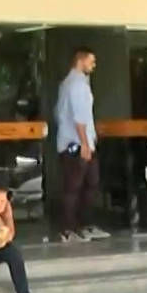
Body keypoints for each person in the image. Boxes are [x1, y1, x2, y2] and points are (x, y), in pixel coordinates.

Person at [54, 46, 111, 243]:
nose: (94, 65)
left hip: (74, 143)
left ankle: (83, 225)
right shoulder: (78, 85)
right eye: (91, 61)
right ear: (81, 61)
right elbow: (79, 118)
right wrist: (85, 144)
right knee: (76, 187)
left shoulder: (67, 83)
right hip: (77, 144)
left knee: (88, 185)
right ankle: (69, 229)